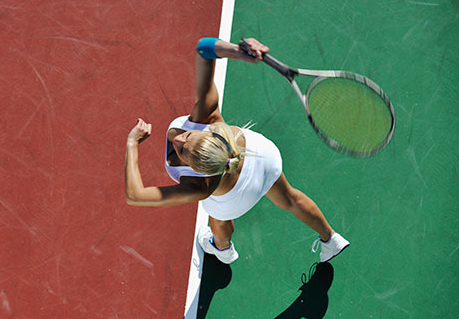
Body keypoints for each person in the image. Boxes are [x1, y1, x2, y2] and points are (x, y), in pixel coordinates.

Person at [124, 37, 349, 264]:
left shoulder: (199, 186)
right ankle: (331, 240)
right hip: (263, 156)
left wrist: (132, 144)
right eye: (189, 136)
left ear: (198, 170)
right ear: (210, 133)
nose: (179, 139)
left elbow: (135, 196)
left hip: (241, 194)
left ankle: (222, 249)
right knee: (289, 199)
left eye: (183, 150)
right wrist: (237, 52)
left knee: (218, 217)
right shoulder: (207, 116)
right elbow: (204, 49)